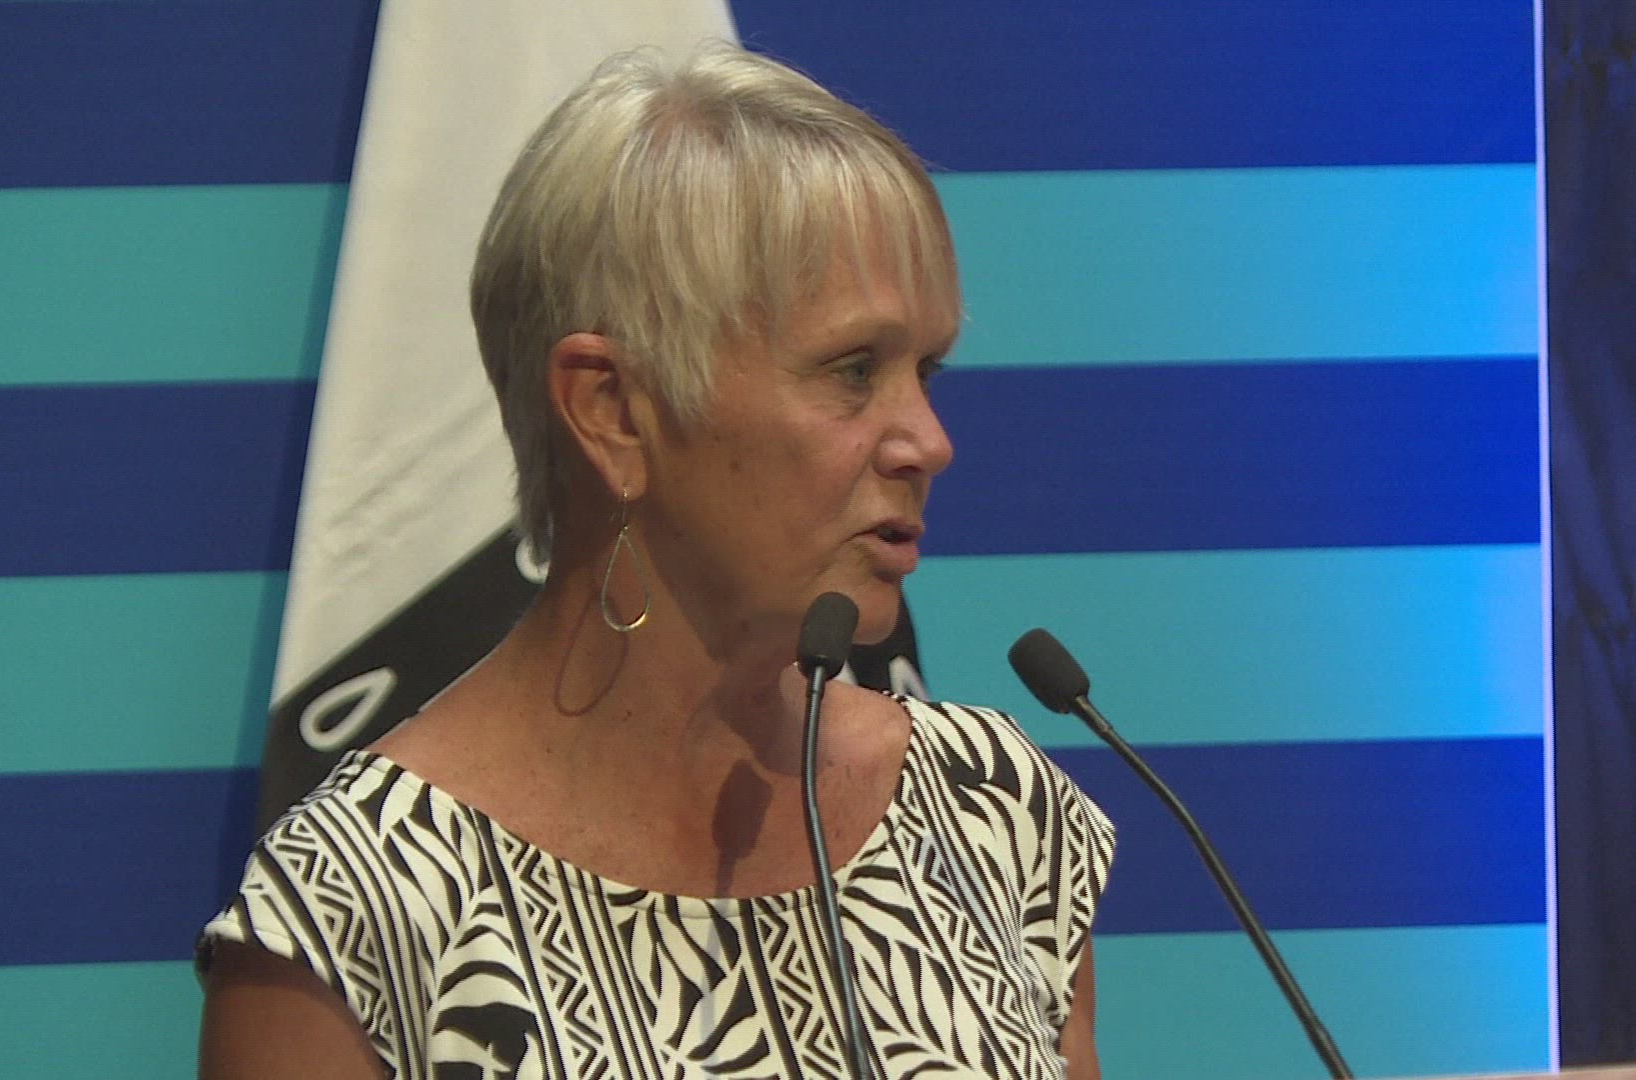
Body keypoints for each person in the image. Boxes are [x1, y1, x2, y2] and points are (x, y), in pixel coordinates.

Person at [197, 44, 1114, 1080]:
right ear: (614, 412)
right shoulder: (357, 910)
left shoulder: (991, 809)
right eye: (853, 370)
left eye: (927, 370)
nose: (929, 443)